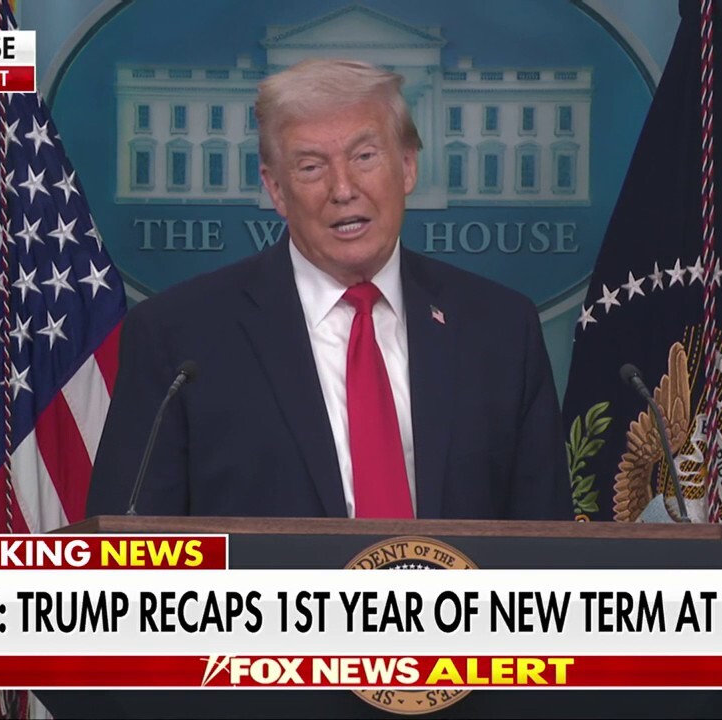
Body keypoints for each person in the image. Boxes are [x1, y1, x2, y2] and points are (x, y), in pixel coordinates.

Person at [88, 59, 569, 520]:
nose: (343, 189)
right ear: (276, 190)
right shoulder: (178, 337)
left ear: (407, 167)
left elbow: (546, 544)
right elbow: (130, 550)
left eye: (365, 156)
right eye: (311, 167)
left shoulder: (502, 329)